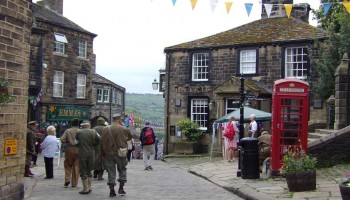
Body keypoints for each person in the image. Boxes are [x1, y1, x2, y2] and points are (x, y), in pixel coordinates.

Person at [101, 113, 132, 197]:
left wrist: (102, 152)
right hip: (120, 152)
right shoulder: (124, 128)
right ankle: (121, 188)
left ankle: (111, 190)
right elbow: (129, 138)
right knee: (122, 169)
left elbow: (102, 141)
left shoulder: (106, 129)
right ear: (119, 120)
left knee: (111, 171)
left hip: (108, 152)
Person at [76, 120, 100, 195]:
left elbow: (76, 141)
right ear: (88, 125)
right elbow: (99, 140)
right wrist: (94, 144)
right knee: (89, 170)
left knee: (83, 170)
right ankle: (89, 186)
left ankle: (85, 188)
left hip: (82, 152)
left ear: (82, 126)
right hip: (91, 152)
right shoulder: (93, 132)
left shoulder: (78, 132)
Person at [61, 118, 80, 188]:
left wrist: (66, 142)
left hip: (69, 148)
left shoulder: (68, 131)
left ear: (71, 124)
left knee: (67, 165)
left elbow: (62, 139)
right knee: (76, 166)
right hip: (78, 149)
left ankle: (67, 180)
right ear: (78, 124)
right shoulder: (80, 131)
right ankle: (74, 183)